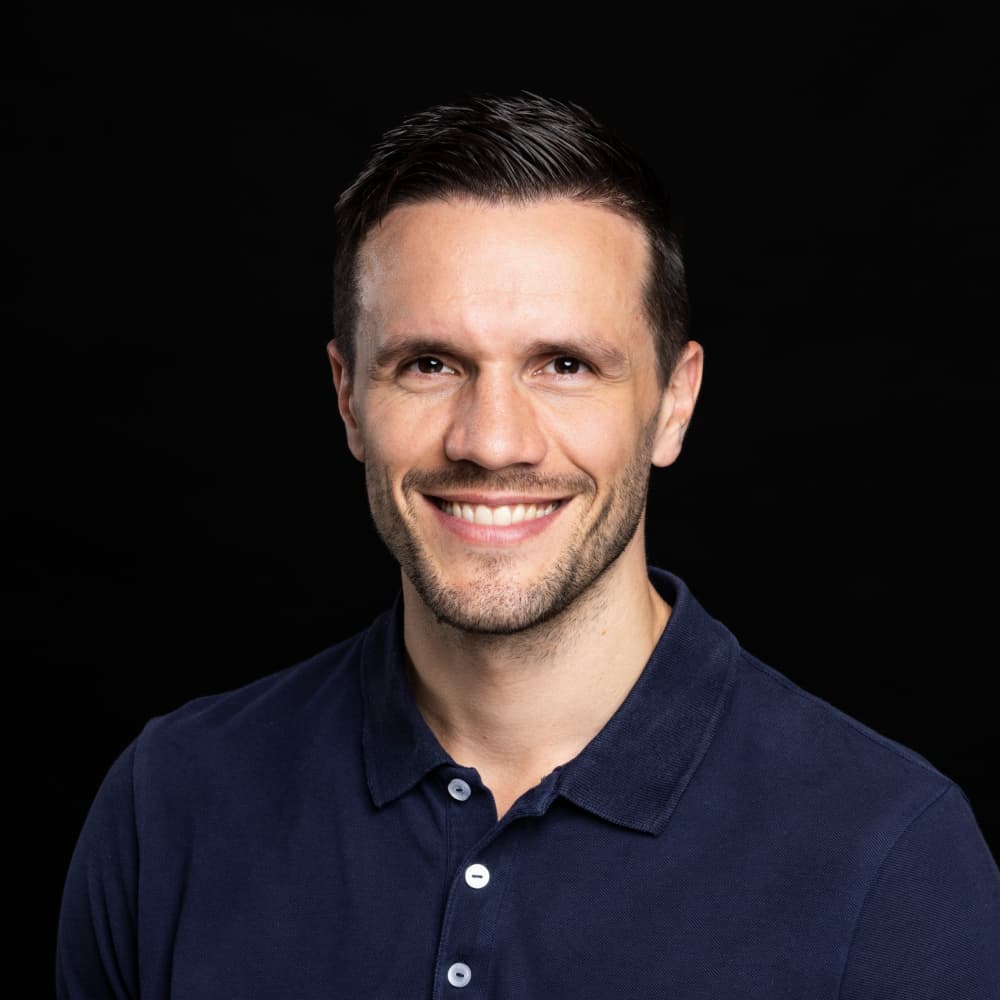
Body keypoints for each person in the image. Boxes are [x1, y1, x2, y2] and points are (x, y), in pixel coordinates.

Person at [57, 93, 999, 998]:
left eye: (565, 365)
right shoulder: (169, 803)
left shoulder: (893, 858)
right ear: (347, 398)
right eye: (430, 364)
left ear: (674, 402)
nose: (492, 440)